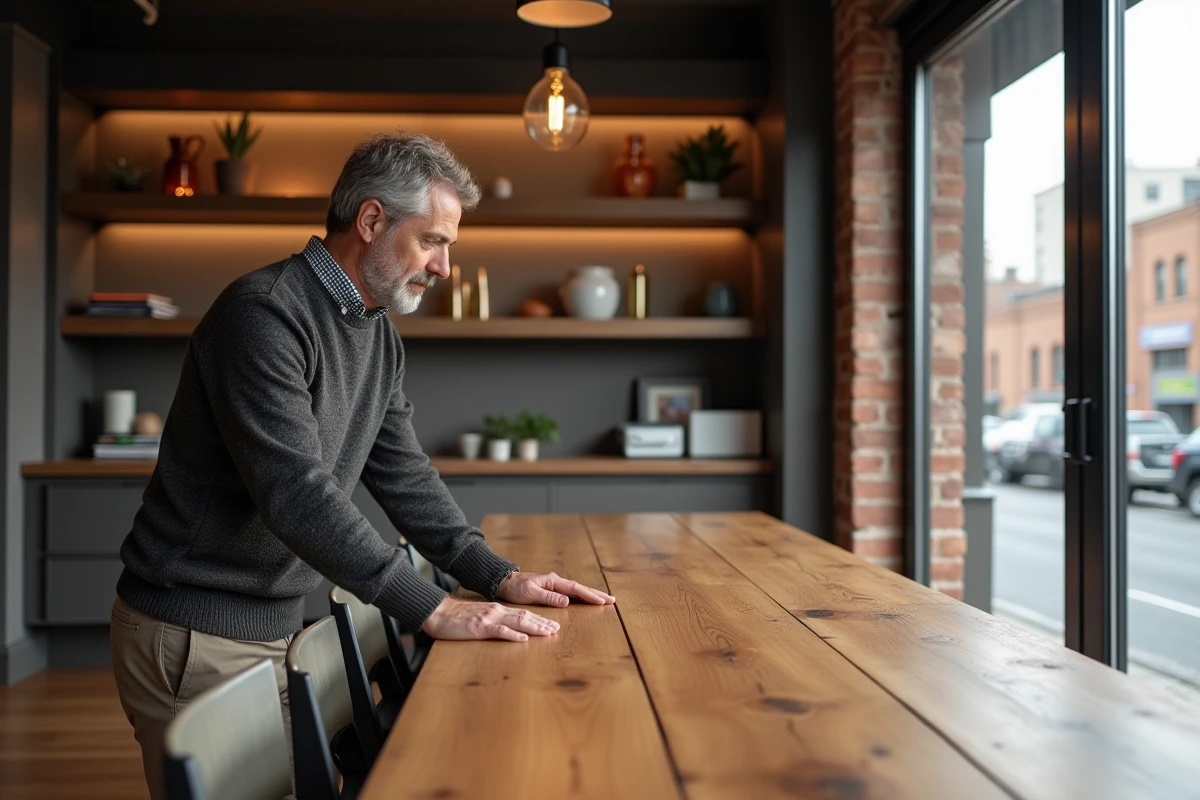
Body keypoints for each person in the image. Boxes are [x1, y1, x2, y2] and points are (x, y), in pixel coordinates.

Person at [109, 131, 615, 799]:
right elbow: (294, 492)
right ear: (372, 220)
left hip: (268, 626)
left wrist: (498, 577)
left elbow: (405, 476)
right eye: (432, 241)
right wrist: (430, 608)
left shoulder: (374, 332)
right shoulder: (263, 314)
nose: (443, 268)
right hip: (195, 629)